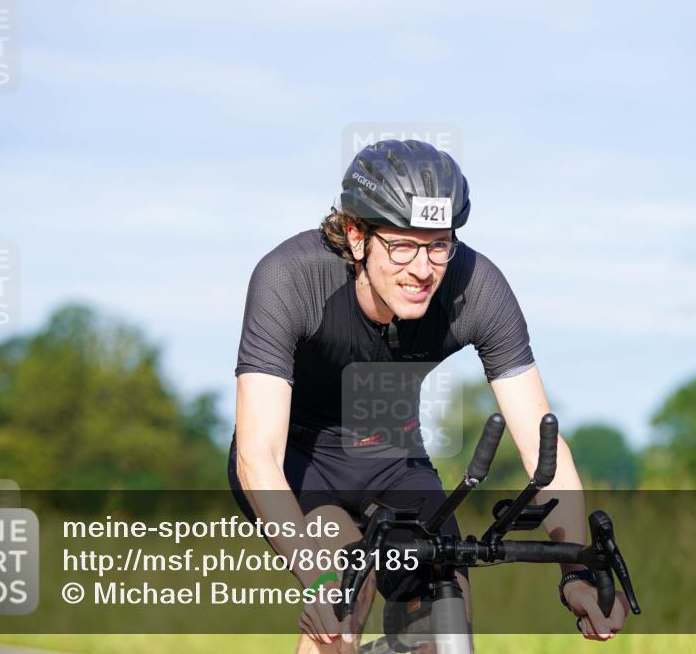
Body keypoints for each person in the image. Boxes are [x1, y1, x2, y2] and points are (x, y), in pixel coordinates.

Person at [228, 139, 628, 652]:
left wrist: (576, 571)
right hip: (300, 460)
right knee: (343, 588)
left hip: (393, 451)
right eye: (402, 246)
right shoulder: (290, 277)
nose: (422, 269)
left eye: (438, 244)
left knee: (446, 612)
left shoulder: (478, 287)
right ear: (355, 237)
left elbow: (541, 449)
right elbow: (257, 456)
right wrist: (323, 584)